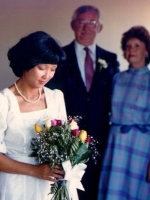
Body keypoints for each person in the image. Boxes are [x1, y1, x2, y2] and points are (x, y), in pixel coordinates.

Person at [46, 5, 119, 200]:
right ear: (73, 25)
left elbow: (116, 98)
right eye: (81, 22)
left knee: (97, 189)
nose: (86, 28)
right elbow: (50, 94)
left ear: (99, 27)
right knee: (68, 189)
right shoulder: (59, 57)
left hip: (102, 138)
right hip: (67, 137)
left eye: (91, 23)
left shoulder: (110, 59)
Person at [0, 31, 67, 200]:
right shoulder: (4, 101)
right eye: (41, 68)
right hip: (16, 186)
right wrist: (36, 171)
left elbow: (65, 143)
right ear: (26, 63)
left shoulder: (56, 97)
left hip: (50, 186)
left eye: (53, 69)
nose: (47, 75)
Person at [98, 26, 150, 200]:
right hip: (116, 143)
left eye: (137, 45)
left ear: (147, 50)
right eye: (128, 46)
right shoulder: (118, 78)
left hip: (141, 146)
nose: (131, 49)